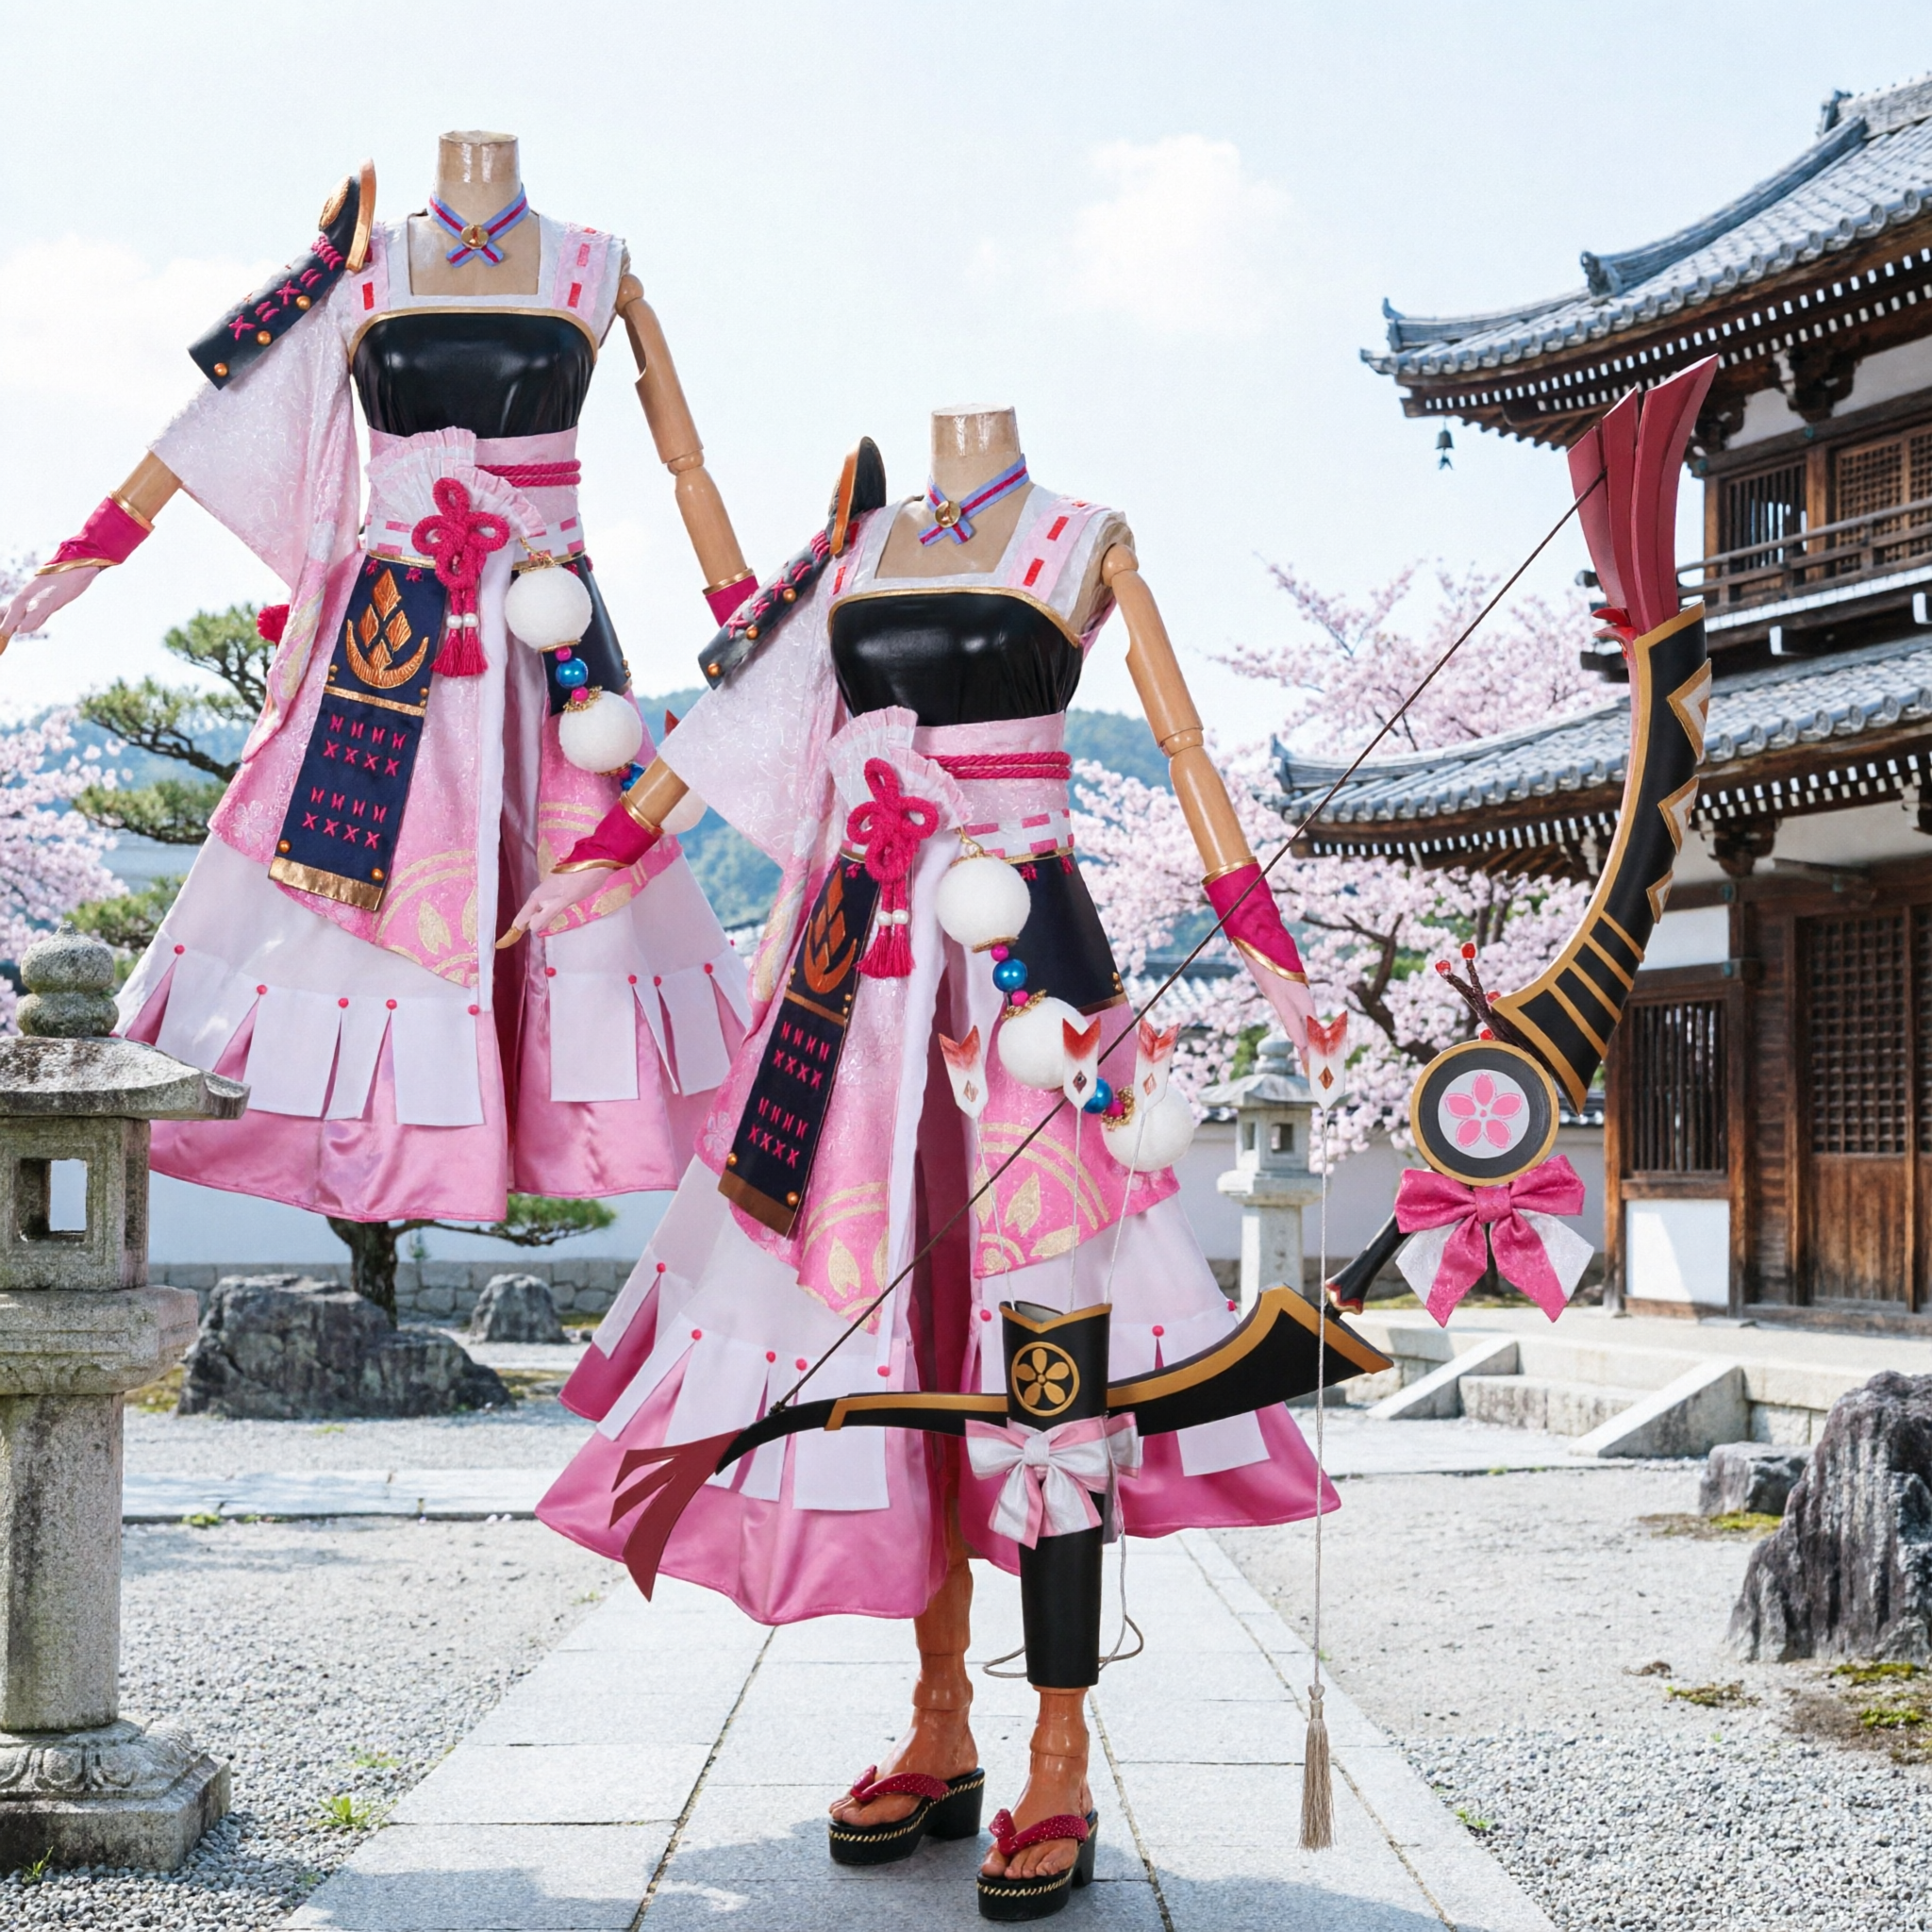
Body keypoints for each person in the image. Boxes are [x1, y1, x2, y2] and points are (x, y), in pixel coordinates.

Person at [524, 408, 1338, 1917]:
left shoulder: (1085, 536)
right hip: (861, 979)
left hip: (1028, 972)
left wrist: (1269, 949)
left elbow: (1183, 743)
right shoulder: (864, 547)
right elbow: (743, 733)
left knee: (1047, 1350)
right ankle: (944, 1721)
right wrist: (596, 862)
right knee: (900, 1328)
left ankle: (1063, 1751)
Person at [0, 134, 754, 1223]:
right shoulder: (363, 267)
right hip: (391, 629)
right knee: (345, 881)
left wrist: (751, 628)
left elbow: (690, 463)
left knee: (581, 868)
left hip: (552, 620)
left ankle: (536, 1130)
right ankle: (382, 1150)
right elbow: (223, 411)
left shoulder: (598, 268)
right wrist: (95, 545)